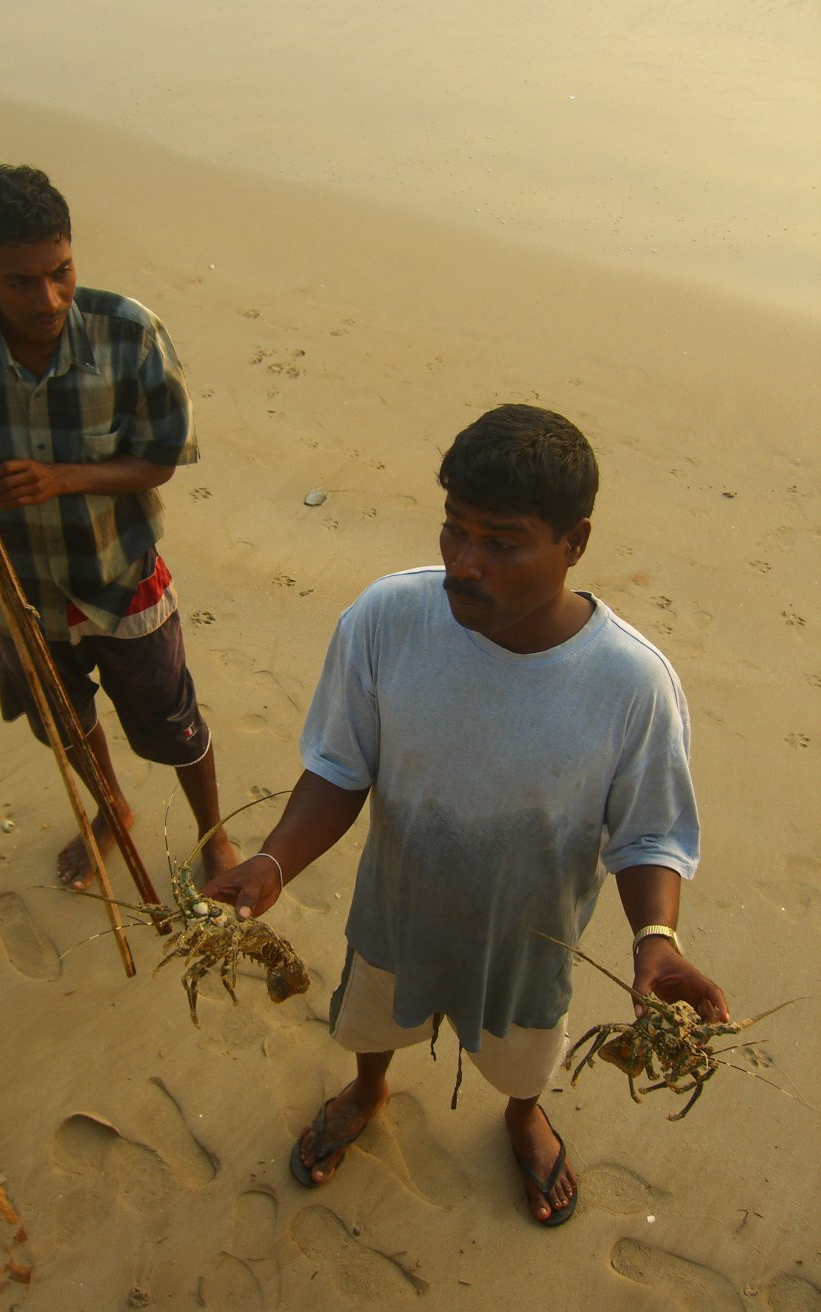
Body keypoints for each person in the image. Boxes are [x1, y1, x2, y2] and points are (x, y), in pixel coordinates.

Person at [202, 404, 729, 1227]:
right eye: (455, 530)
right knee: (372, 1020)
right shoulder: (388, 619)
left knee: (524, 1056)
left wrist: (655, 937)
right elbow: (341, 767)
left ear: (574, 542)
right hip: (398, 907)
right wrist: (274, 861)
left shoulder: (631, 684)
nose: (464, 563)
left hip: (528, 941)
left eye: (503, 543)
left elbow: (649, 834)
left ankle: (522, 1116)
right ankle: (369, 1090)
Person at [0, 164, 237, 889]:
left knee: (172, 716)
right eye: (21, 282)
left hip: (121, 577)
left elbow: (160, 459)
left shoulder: (130, 334)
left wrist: (63, 478)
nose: (49, 299)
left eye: (61, 272)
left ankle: (214, 834)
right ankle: (111, 807)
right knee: (62, 715)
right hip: (17, 585)